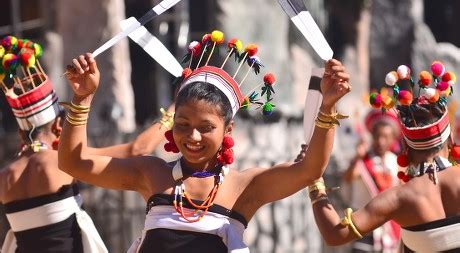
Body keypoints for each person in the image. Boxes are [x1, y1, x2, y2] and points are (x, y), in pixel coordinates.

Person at [58, 31, 351, 253]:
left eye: (206, 127)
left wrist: (327, 108)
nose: (192, 136)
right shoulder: (152, 174)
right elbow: (72, 163)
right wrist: (82, 98)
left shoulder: (243, 188)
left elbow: (310, 169)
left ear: (228, 129)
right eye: (183, 125)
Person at [0, 36, 173, 253]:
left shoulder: (5, 177)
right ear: (57, 127)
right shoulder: (61, 161)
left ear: (20, 131)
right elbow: (137, 149)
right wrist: (175, 110)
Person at [304, 63, 460, 252]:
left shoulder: (398, 198)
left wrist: (313, 180)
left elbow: (335, 234)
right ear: (450, 140)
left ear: (405, 149)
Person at [342, 109, 401, 252]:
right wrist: (357, 157)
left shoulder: (396, 162)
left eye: (386, 137)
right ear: (372, 136)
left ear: (393, 138)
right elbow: (349, 177)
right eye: (378, 136)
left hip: (388, 230)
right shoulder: (362, 161)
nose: (381, 141)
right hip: (364, 228)